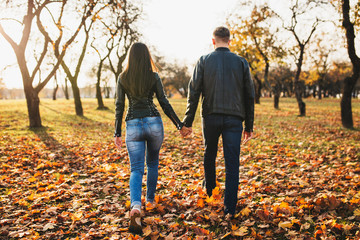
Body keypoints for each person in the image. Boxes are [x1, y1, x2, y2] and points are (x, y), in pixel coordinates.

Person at [114, 42, 190, 233]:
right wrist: (179, 125)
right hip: (154, 122)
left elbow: (119, 106)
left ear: (130, 57)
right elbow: (163, 101)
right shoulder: (153, 76)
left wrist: (117, 132)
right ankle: (149, 200)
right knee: (153, 163)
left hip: (132, 124)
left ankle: (136, 206)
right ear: (147, 56)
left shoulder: (122, 77)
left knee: (136, 169)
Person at [182, 26, 255, 216]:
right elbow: (249, 95)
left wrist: (187, 122)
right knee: (232, 162)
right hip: (234, 119)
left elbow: (194, 92)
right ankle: (229, 208)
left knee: (210, 153)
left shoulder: (204, 60)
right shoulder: (241, 62)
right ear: (229, 41)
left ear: (213, 41)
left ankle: (210, 192)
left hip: (211, 116)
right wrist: (249, 125)